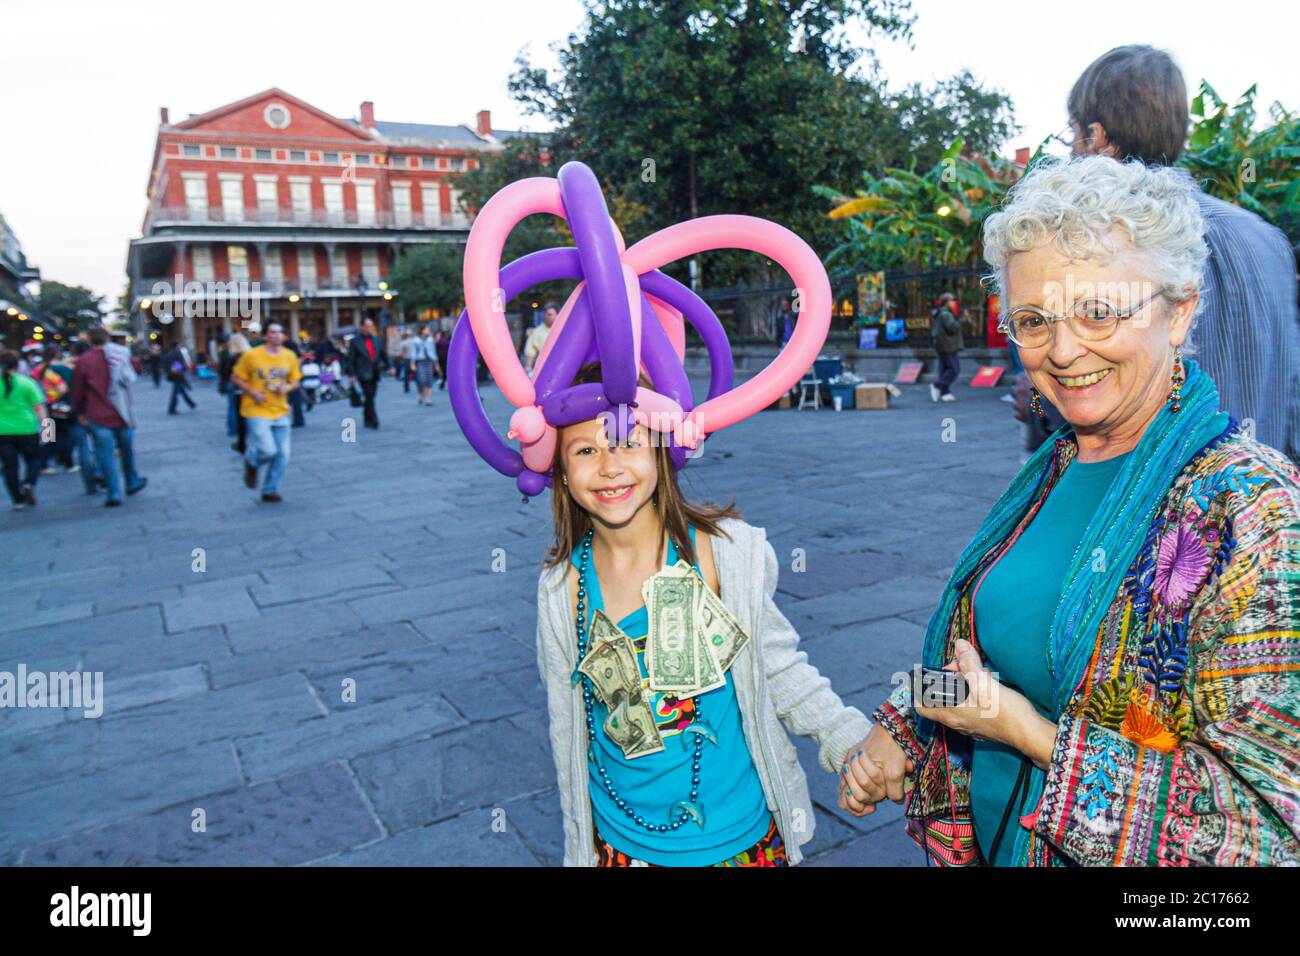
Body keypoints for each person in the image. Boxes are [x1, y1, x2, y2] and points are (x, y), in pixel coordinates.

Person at [850, 157, 1300, 867]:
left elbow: (1266, 834)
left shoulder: (1255, 512)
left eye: (1098, 311)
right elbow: (1001, 656)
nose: (1063, 351)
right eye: (1034, 320)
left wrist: (1034, 737)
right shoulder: (1055, 465)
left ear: (1179, 310)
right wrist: (907, 722)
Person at [1065, 44, 1300, 466]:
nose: (1071, 149)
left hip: (1155, 515)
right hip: (1261, 503)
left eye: (1072, 133)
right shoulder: (1268, 240)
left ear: (1096, 137)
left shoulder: (1105, 243)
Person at [73, 327, 147, 507]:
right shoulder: (119, 355)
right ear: (107, 338)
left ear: (90, 340)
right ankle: (131, 481)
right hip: (121, 412)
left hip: (92, 414)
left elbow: (78, 390)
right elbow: (135, 369)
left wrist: (80, 412)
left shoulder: (83, 361)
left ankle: (113, 491)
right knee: (126, 449)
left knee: (102, 453)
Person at [231, 321, 301, 503]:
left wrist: (287, 387)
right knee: (268, 450)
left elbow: (296, 381)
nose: (276, 335)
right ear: (265, 336)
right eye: (272, 332)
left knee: (283, 455)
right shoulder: (252, 356)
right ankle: (252, 461)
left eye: (279, 332)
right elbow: (236, 378)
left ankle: (270, 489)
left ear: (284, 336)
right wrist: (253, 392)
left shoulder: (289, 356)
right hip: (256, 409)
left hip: (281, 410)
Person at [0, 350, 46, 510]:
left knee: (9, 467)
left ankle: (17, 500)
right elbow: (39, 408)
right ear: (18, 365)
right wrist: (49, 432)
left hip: (3, 432)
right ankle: (28, 483)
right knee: (34, 460)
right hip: (27, 428)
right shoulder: (26, 382)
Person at [32, 345, 78, 474]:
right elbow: (63, 388)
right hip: (55, 407)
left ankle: (44, 464)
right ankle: (67, 463)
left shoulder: (37, 369)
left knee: (48, 436)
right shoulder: (52, 372)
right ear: (57, 354)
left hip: (40, 407)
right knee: (64, 435)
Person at [346, 316, 388, 429]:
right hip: (363, 373)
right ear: (362, 327)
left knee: (371, 396)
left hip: (375, 372)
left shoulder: (376, 339)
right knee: (369, 396)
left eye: (372, 325)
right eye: (368, 326)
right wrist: (351, 375)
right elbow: (351, 359)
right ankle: (374, 420)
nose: (371, 328)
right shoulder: (355, 342)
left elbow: (383, 354)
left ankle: (366, 415)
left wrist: (390, 366)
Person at [929, 292, 963, 403]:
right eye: (952, 300)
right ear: (947, 302)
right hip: (949, 345)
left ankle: (945, 393)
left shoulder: (939, 313)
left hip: (941, 345)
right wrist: (962, 319)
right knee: (954, 369)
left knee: (944, 370)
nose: (954, 303)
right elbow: (952, 328)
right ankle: (937, 385)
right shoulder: (946, 314)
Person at [222, 333, 252, 452]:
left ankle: (234, 430)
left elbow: (224, 373)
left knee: (233, 408)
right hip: (248, 386)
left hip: (234, 386)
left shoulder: (229, 357)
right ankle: (247, 431)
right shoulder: (250, 356)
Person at [523, 303, 558, 375]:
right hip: (545, 370)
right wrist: (529, 369)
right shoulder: (536, 332)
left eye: (549, 314)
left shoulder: (566, 328)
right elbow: (530, 352)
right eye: (545, 314)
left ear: (557, 315)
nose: (546, 317)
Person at [163, 343, 196, 414]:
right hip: (177, 375)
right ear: (176, 346)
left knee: (181, 390)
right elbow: (179, 364)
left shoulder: (167, 355)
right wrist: (181, 371)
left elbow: (165, 365)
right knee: (175, 392)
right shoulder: (177, 354)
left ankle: (191, 404)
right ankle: (171, 409)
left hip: (172, 375)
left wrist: (169, 372)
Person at [411, 323, 438, 406]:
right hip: (420, 362)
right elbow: (413, 352)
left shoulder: (430, 339)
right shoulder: (415, 340)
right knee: (421, 380)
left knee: (429, 380)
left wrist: (436, 364)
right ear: (422, 330)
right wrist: (412, 363)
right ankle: (420, 394)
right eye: (426, 329)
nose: (428, 331)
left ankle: (428, 399)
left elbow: (433, 351)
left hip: (429, 361)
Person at [398, 329, 416, 394]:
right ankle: (420, 387)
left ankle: (406, 387)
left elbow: (401, 353)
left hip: (406, 359)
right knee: (416, 373)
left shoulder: (403, 343)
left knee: (406, 374)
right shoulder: (414, 341)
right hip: (414, 359)